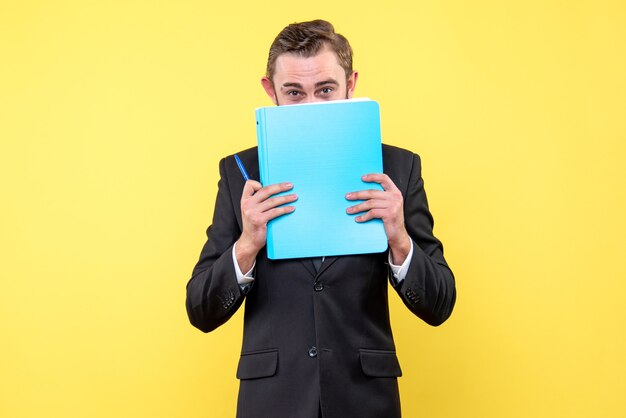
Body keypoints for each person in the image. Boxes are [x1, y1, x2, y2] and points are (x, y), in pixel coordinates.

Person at [186, 19, 456, 418]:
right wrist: (246, 246)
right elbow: (200, 311)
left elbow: (440, 305)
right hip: (273, 401)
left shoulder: (398, 169)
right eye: (294, 93)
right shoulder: (240, 173)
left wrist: (400, 240)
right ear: (269, 91)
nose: (310, 106)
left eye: (325, 90)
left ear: (351, 84)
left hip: (365, 400)